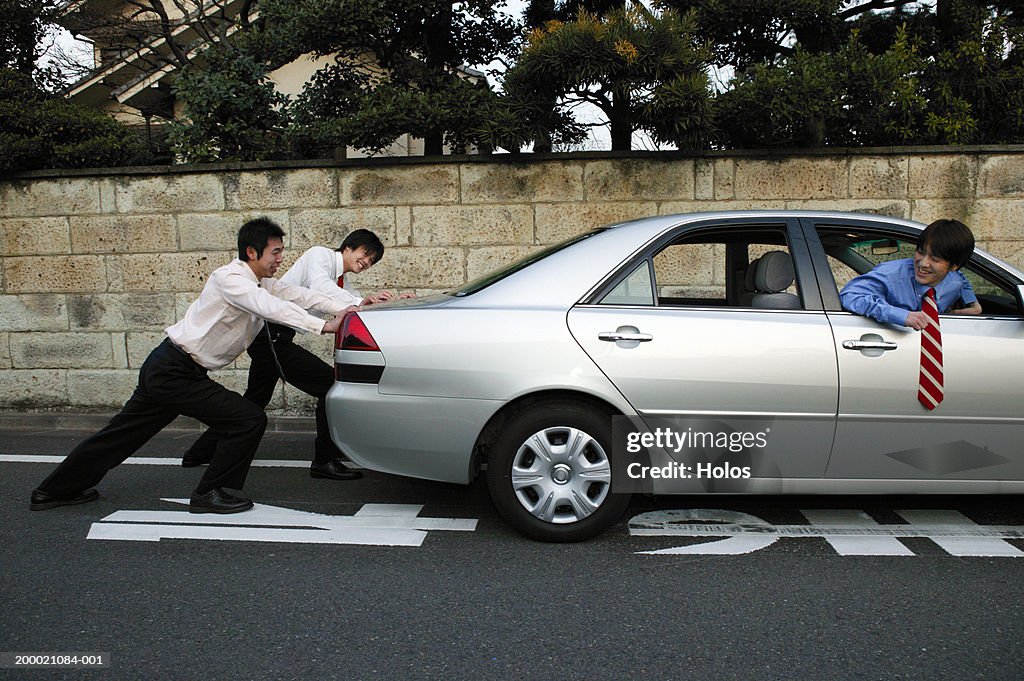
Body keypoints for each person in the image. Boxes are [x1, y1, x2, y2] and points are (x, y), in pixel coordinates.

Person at [30, 217, 348, 514]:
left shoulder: (261, 282)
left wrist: (354, 306)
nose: (280, 259)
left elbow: (301, 296)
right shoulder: (231, 279)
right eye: (275, 252)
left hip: (172, 369)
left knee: (121, 436)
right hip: (174, 370)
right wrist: (323, 327)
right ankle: (210, 493)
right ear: (252, 252)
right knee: (247, 419)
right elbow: (270, 308)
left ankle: (53, 491)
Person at [180, 228, 412, 480]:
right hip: (272, 337)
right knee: (329, 386)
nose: (366, 262)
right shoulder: (320, 256)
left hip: (273, 338)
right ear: (348, 247)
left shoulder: (343, 281)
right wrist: (358, 303)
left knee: (254, 400)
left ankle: (199, 452)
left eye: (372, 260)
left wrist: (385, 304)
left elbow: (347, 306)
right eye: (365, 254)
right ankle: (324, 460)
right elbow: (320, 290)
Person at [839, 218, 983, 329]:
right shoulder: (890, 274)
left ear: (954, 266)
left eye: (935, 259)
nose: (923, 263)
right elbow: (849, 296)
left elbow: (961, 280)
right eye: (921, 252)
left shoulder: (954, 281)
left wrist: (973, 305)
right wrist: (900, 315)